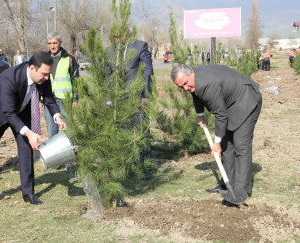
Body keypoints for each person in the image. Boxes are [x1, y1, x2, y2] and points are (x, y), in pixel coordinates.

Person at [0, 51, 66, 216]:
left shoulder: (43, 76)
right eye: (43, 74)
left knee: (26, 149)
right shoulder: (10, 78)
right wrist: (29, 132)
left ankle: (28, 192)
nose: (46, 78)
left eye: (48, 74)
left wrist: (57, 117)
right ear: (31, 69)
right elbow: (8, 112)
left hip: (21, 110)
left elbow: (49, 98)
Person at [170, 63, 262, 203]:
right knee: (226, 146)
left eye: (186, 84)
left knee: (241, 146)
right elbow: (195, 94)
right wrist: (200, 114)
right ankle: (227, 184)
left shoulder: (207, 84)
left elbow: (220, 115)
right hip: (231, 104)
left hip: (246, 100)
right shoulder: (194, 81)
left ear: (191, 72)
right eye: (181, 87)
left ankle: (240, 191)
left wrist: (217, 142)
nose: (185, 88)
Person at [105, 31, 154, 180]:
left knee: (141, 132)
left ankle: (145, 168)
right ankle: (127, 167)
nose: (118, 36)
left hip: (137, 97)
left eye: (121, 33)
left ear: (127, 31)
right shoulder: (109, 51)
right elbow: (107, 76)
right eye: (115, 33)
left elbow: (148, 72)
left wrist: (146, 95)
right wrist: (108, 98)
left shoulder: (139, 46)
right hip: (118, 100)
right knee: (122, 133)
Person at [43, 31, 79, 171]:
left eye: (55, 43)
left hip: (65, 100)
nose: (52, 46)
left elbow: (76, 80)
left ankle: (69, 162)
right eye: (50, 43)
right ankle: (54, 162)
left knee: (66, 131)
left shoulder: (69, 59)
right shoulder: (44, 59)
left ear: (60, 43)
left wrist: (75, 99)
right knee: (52, 131)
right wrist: (40, 101)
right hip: (49, 100)